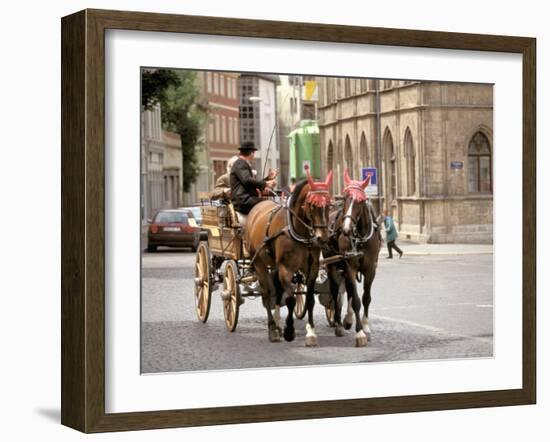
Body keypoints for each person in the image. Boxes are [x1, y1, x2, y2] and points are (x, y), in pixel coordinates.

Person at [230, 141, 277, 225]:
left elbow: (251, 183)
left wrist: (267, 179)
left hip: (245, 199)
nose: (254, 156)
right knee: (269, 205)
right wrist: (266, 184)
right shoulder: (240, 163)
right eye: (254, 153)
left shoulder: (241, 164)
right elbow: (247, 180)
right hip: (243, 200)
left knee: (269, 204)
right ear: (251, 153)